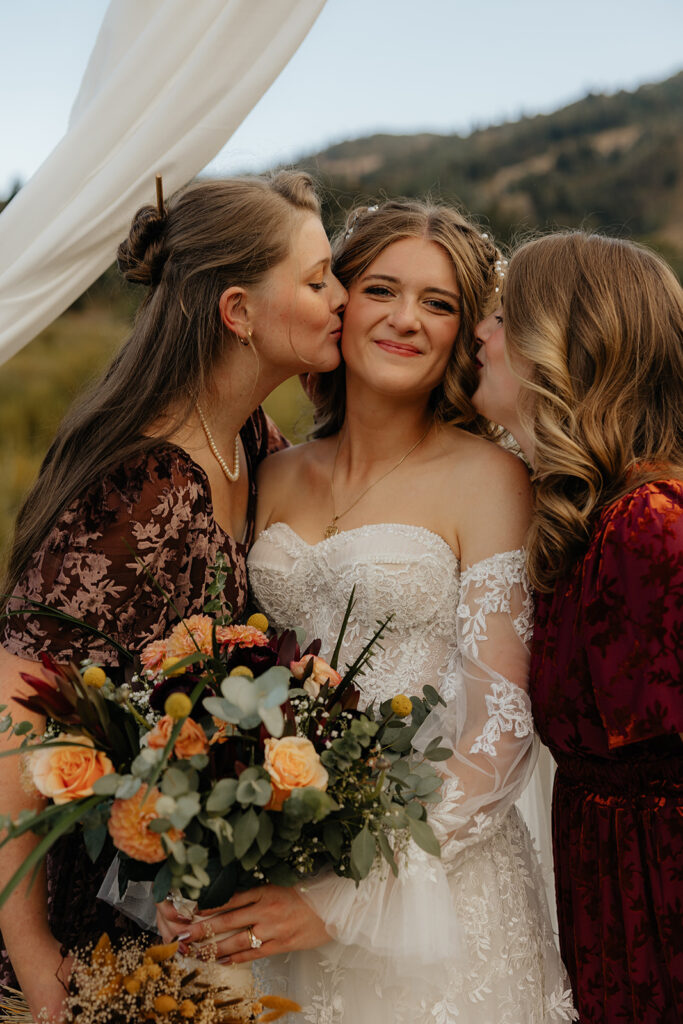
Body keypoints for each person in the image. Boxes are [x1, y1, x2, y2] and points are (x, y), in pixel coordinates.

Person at [159, 200, 576, 1022]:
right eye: (382, 289)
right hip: (282, 877)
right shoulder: (268, 473)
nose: (406, 320)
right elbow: (238, 678)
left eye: (440, 302)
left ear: (464, 332)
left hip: (438, 895)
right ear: (340, 304)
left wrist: (350, 894)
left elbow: (501, 725)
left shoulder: (490, 479)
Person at [0, 170, 347, 1021]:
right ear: (236, 311)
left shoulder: (249, 439)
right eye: (315, 281)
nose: (340, 298)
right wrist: (33, 952)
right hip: (79, 914)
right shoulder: (146, 485)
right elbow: (14, 713)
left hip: (168, 903)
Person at [472, 231, 683, 1023]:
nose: (481, 334)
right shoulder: (583, 522)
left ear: (566, 339)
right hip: (609, 914)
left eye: (500, 316)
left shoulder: (647, 527)